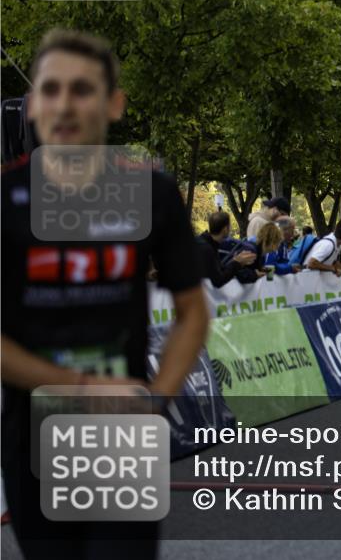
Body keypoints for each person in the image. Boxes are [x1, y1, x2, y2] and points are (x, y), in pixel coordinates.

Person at [1, 29, 209, 559]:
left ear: (113, 103)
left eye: (82, 90)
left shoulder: (152, 194)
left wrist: (158, 396)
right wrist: (77, 386)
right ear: (31, 105)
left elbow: (192, 313)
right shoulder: (5, 199)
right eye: (50, 90)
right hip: (32, 434)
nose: (64, 105)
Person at [197, 211, 256, 287]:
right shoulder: (207, 248)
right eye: (230, 226)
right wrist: (236, 262)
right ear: (225, 229)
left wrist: (239, 263)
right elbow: (218, 281)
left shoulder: (207, 243)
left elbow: (219, 270)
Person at [304, 218, 341, 283]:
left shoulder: (335, 243)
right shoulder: (328, 245)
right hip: (307, 281)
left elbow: (333, 262)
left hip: (313, 282)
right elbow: (311, 263)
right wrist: (334, 269)